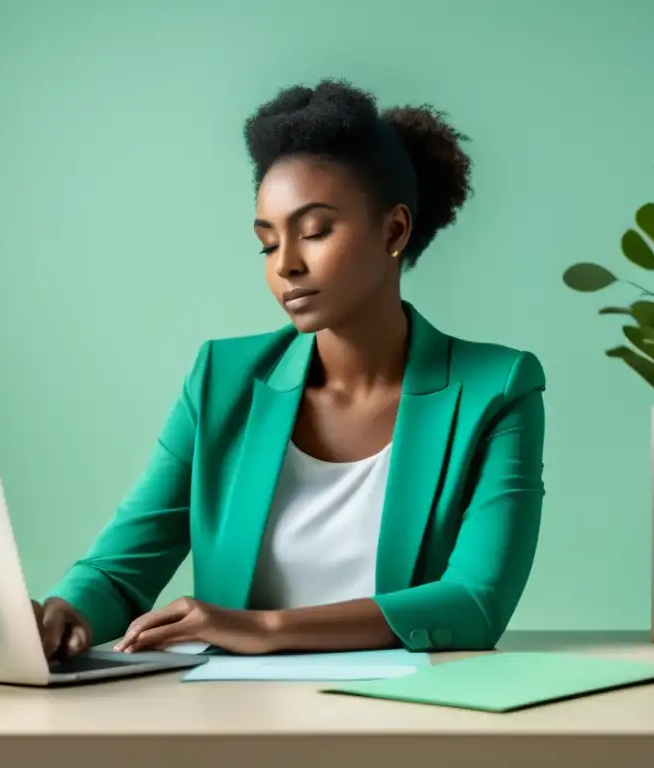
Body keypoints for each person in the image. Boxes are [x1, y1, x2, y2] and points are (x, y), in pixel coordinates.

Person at [31, 79, 546, 661]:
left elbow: (475, 604)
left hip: (410, 718)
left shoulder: (497, 388)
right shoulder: (220, 379)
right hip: (233, 720)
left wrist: (263, 629)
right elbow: (121, 570)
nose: (287, 266)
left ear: (394, 230)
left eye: (315, 231)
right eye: (267, 244)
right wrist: (64, 612)